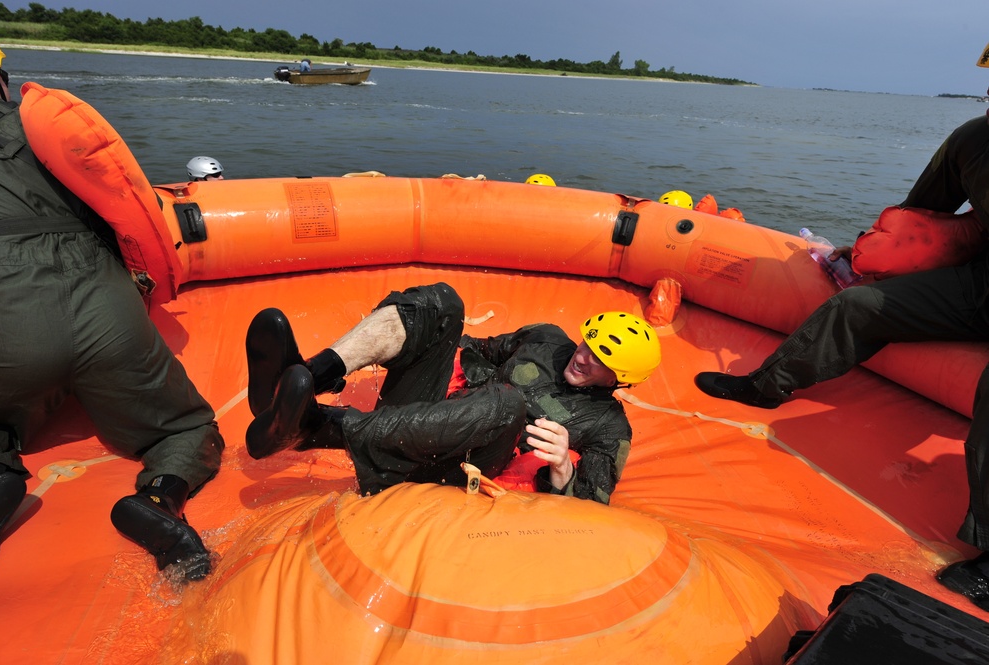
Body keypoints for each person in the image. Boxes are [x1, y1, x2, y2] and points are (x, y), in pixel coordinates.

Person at [694, 40, 989, 612]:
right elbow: (922, 214)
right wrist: (873, 257)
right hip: (980, 284)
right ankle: (766, 386)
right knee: (862, 306)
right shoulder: (974, 140)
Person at [0, 39, 224, 580]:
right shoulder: (48, 129)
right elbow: (130, 210)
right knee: (186, 428)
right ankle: (162, 499)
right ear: (2, 81)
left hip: (4, 324)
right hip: (105, 309)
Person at [244, 283, 661, 503]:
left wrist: (563, 471)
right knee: (444, 304)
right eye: (589, 342)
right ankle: (306, 377)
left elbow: (592, 504)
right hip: (419, 418)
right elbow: (476, 347)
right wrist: (451, 353)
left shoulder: (610, 427)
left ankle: (313, 428)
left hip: (451, 465)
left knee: (506, 403)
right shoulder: (548, 339)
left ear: (618, 379)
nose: (583, 357)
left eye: (600, 360)